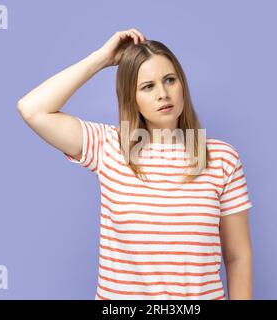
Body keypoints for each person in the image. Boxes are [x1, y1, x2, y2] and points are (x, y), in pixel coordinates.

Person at [17, 28, 253, 300]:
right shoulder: (108, 146)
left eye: (170, 80)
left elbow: (238, 257)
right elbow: (32, 109)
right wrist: (101, 59)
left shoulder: (222, 158)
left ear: (182, 85)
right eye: (148, 86)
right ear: (132, 97)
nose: (163, 93)